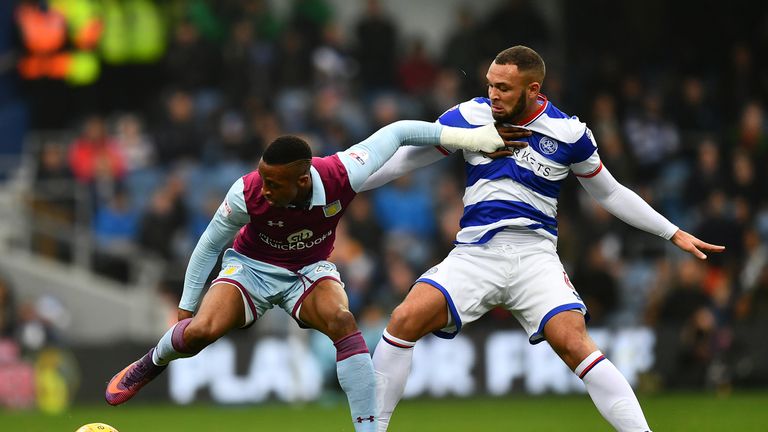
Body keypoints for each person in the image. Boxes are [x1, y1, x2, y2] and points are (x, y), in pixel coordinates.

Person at [362, 46, 725, 432]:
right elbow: (406, 160)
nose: (493, 95)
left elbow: (611, 193)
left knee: (574, 343)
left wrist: (672, 231)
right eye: (489, 85)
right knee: (403, 319)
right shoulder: (469, 115)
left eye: (503, 87)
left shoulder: (569, 132)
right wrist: (344, 185)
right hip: (474, 254)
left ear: (533, 89)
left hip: (534, 257)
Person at [104, 118, 517, 431]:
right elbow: (210, 245)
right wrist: (185, 307)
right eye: (262, 178)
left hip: (309, 270)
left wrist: (472, 138)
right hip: (251, 268)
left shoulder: (341, 174)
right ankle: (150, 363)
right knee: (200, 332)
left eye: (274, 183)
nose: (264, 188)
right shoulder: (246, 192)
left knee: (342, 320)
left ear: (302, 180)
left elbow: (399, 132)